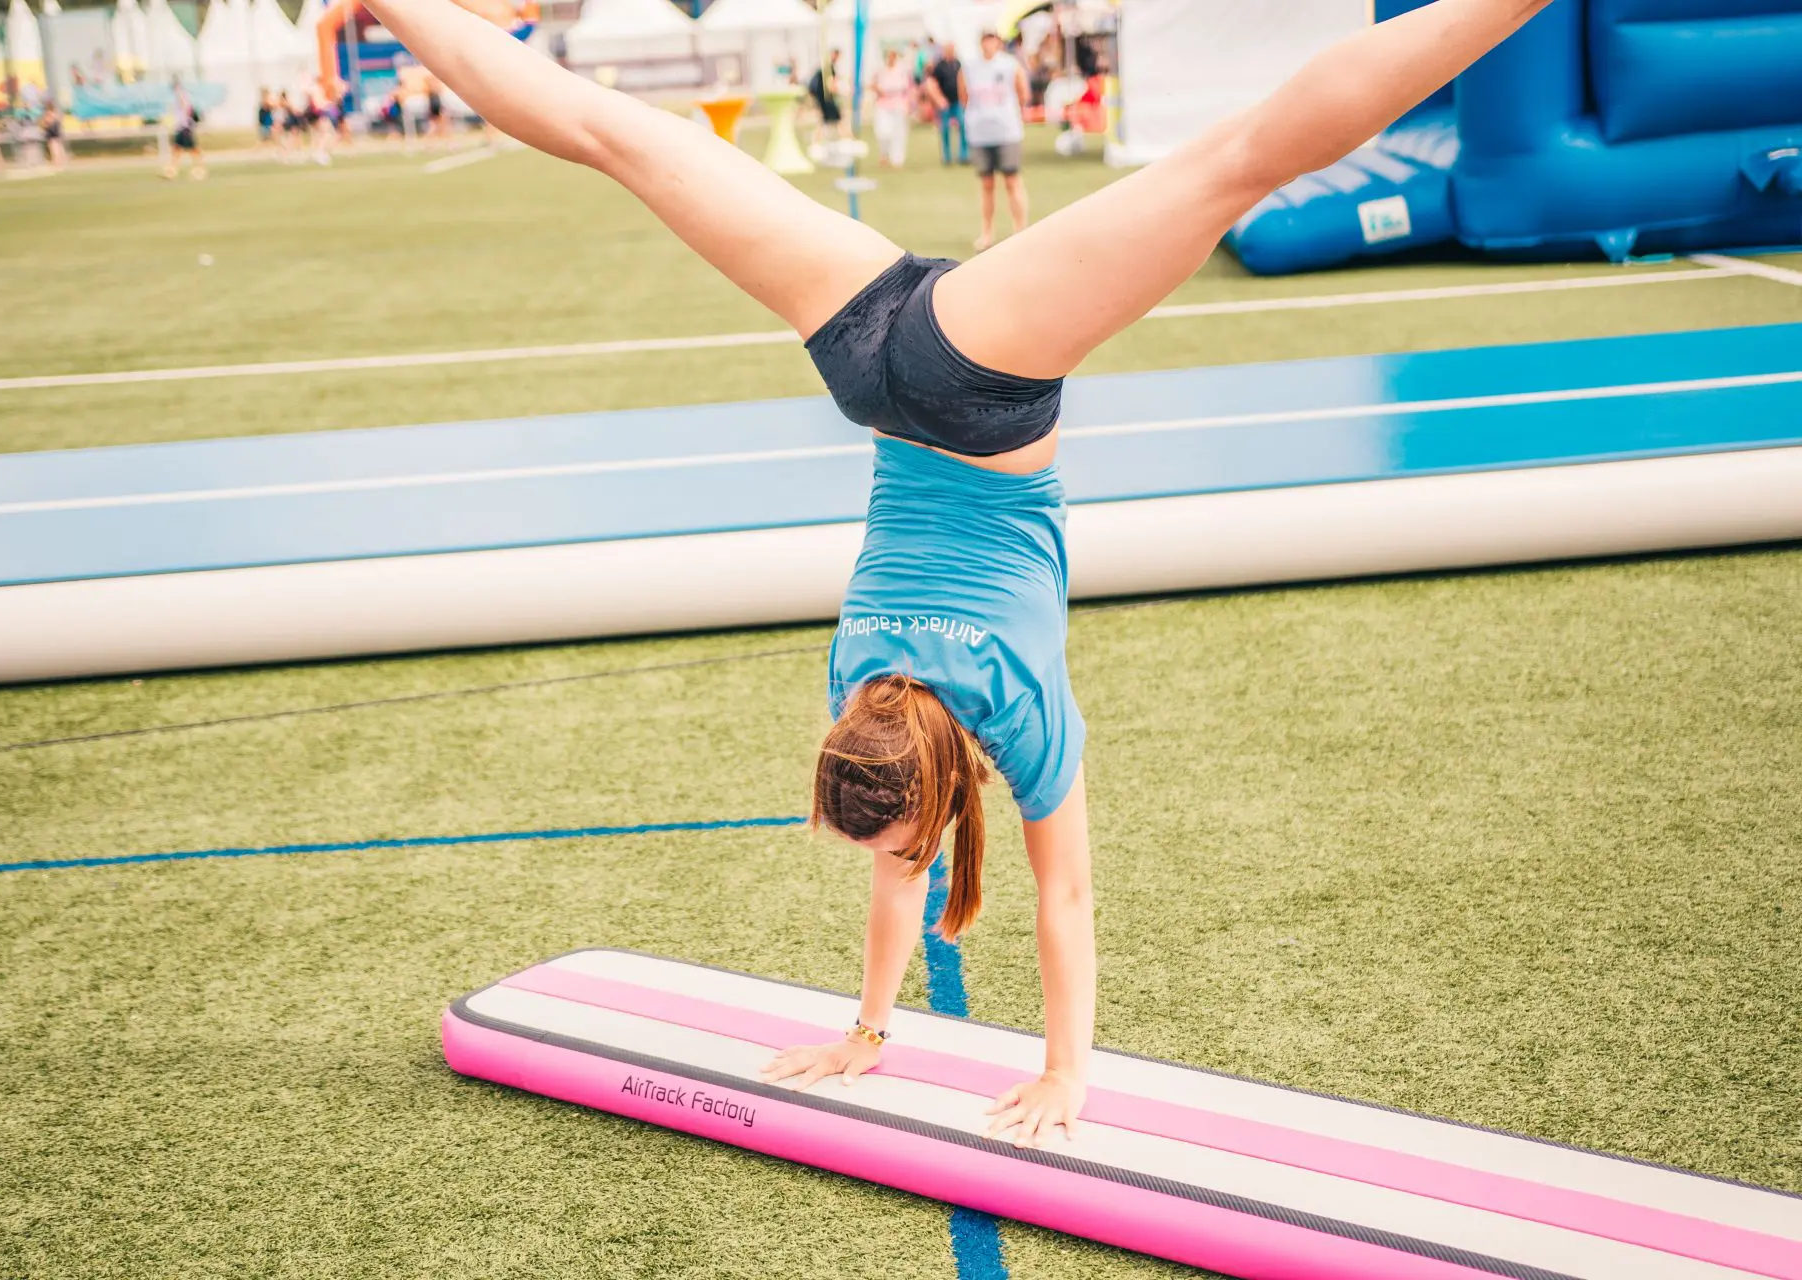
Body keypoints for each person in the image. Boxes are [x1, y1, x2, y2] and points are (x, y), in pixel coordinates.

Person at [359, 0, 1554, 1148]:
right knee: (617, 134)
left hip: (979, 376)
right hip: (866, 351)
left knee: (1237, 162)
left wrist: (1063, 1071)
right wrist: (866, 1030)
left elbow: (1063, 904)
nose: (893, 865)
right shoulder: (860, 685)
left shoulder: (1019, 723)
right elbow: (899, 863)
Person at [960, 30, 1029, 250]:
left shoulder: (1010, 65)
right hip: (981, 132)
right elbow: (964, 97)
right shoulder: (969, 67)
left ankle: (1020, 230)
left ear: (998, 42)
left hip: (1007, 130)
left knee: (1012, 180)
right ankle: (987, 232)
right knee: (987, 183)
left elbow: (1023, 93)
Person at [870, 47, 913, 169]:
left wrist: (908, 105)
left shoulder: (902, 70)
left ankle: (897, 159)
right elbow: (872, 84)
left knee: (898, 133)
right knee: (882, 131)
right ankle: (884, 153)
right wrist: (878, 90)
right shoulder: (880, 70)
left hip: (898, 103)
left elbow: (907, 88)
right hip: (883, 103)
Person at [925, 41, 966, 165]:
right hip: (944, 102)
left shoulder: (958, 64)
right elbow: (932, 84)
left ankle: (964, 154)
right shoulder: (939, 66)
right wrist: (939, 99)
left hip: (957, 101)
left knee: (963, 126)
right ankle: (947, 156)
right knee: (945, 130)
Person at [164, 77, 205, 180]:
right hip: (181, 127)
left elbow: (187, 108)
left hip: (185, 127)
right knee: (177, 148)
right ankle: (172, 169)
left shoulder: (182, 94)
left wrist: (188, 123)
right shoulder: (179, 95)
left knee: (193, 149)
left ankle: (199, 169)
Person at [807, 48, 844, 153]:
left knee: (826, 121)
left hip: (822, 97)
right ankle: (845, 139)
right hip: (825, 98)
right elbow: (830, 85)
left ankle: (816, 142)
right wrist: (840, 90)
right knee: (836, 119)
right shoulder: (828, 69)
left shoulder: (824, 68)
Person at [39, 100, 66, 167]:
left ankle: (56, 161)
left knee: (53, 147)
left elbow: (47, 122)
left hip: (51, 132)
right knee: (58, 146)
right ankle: (60, 160)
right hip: (56, 131)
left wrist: (44, 125)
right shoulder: (56, 113)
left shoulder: (49, 113)